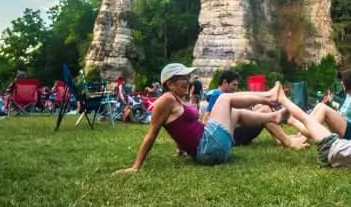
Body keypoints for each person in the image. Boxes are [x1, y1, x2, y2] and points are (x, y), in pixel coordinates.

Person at [115, 63, 287, 173]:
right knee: (224, 99)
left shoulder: (176, 100)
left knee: (236, 113)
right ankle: (268, 96)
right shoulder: (166, 100)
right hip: (208, 148)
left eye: (188, 78)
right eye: (183, 79)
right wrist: (136, 166)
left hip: (212, 148)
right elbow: (152, 133)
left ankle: (273, 116)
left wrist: (181, 149)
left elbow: (178, 128)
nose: (188, 82)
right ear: (170, 84)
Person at [202, 70, 307, 149]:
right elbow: (206, 119)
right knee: (264, 110)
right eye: (234, 85)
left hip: (234, 131)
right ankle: (286, 140)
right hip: (232, 135)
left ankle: (280, 137)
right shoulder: (219, 94)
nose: (235, 88)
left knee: (261, 107)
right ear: (225, 82)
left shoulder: (221, 95)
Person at [288, 69, 351, 142]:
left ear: (349, 82)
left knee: (323, 108)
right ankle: (300, 136)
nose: (341, 83)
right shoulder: (348, 96)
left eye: (343, 81)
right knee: (320, 105)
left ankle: (299, 131)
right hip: (346, 130)